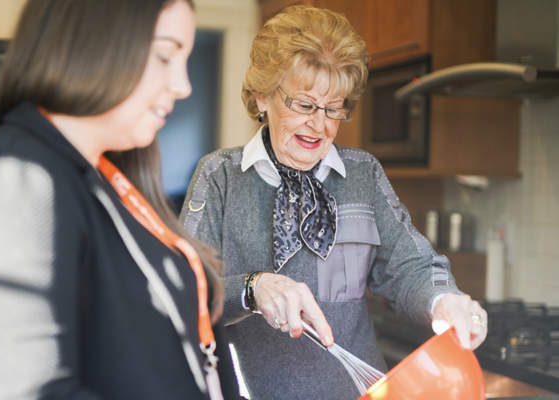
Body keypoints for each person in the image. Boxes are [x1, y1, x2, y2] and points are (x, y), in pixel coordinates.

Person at [0, 0, 241, 399]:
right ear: (91, 44)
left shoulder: (111, 180)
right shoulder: (9, 180)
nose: (183, 85)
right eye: (164, 56)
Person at [180, 5, 488, 400]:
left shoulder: (363, 174)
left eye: (333, 107)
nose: (319, 124)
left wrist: (444, 301)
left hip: (362, 393)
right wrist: (252, 288)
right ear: (262, 97)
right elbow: (182, 290)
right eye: (304, 105)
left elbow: (409, 265)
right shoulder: (220, 176)